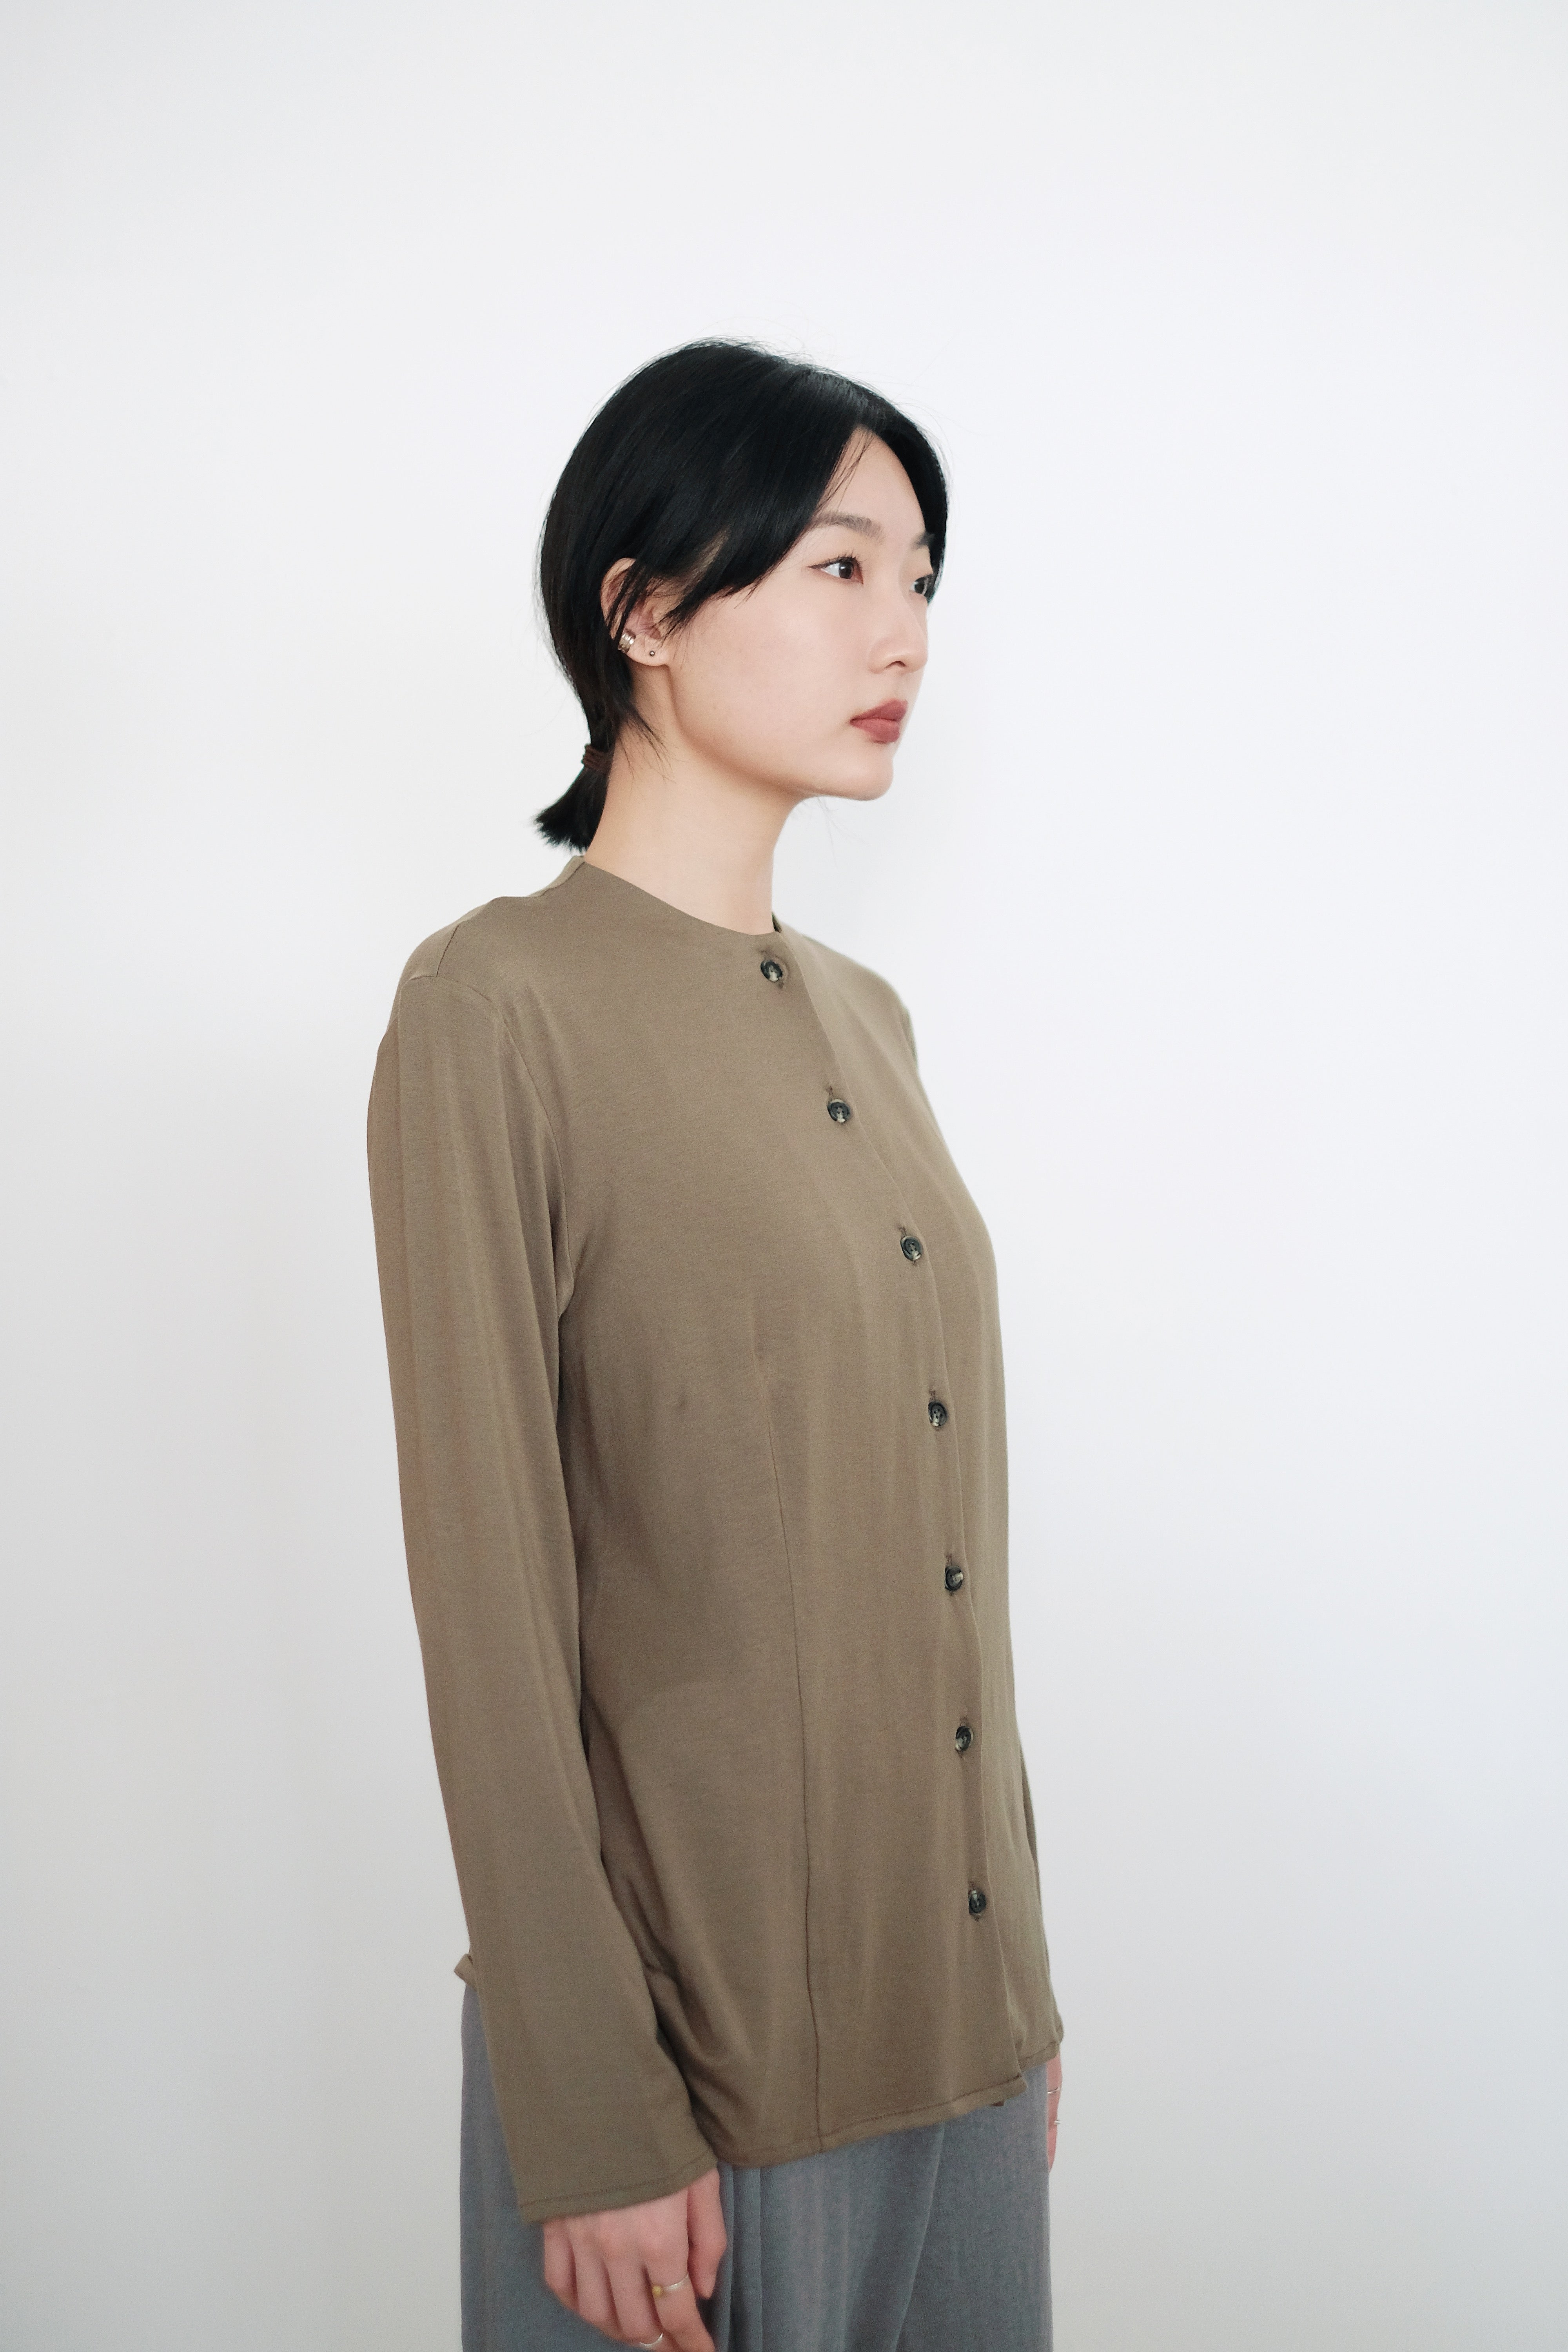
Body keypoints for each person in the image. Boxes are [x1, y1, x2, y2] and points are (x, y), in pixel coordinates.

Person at [367, 340, 1065, 2352]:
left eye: (919, 578)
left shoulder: (867, 1019)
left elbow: (939, 1550)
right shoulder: (496, 1006)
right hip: (694, 2080)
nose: (903, 633)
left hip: (964, 2039)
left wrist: (1020, 1994)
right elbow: (491, 1601)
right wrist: (587, 2104)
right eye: (839, 567)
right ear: (647, 611)